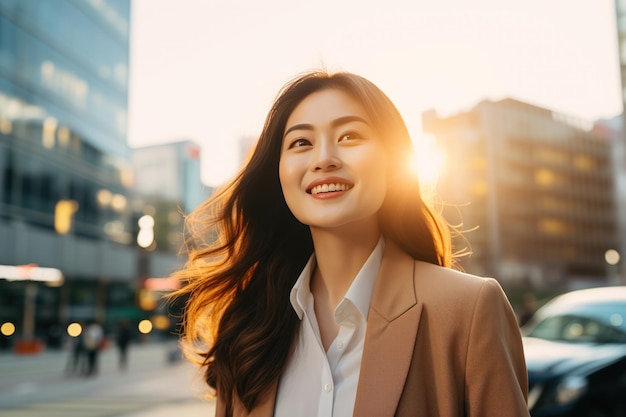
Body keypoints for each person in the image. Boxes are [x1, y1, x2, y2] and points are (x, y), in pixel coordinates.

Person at [170, 71, 529, 416]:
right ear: (278, 173)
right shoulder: (248, 326)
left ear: (394, 160)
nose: (324, 159)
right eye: (301, 143)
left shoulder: (467, 310)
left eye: (349, 137)